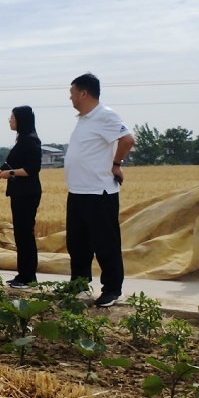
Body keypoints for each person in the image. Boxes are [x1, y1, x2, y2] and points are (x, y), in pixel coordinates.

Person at [64, 72, 135, 307]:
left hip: (99, 192)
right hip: (78, 192)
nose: (71, 97)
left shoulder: (105, 115)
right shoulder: (84, 119)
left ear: (84, 93)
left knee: (105, 243)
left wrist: (116, 164)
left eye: (72, 93)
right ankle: (80, 284)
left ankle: (113, 289)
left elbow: (127, 140)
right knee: (77, 243)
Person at [0, 105, 43, 288]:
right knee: (21, 235)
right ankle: (23, 274)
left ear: (20, 120)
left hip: (27, 193)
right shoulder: (23, 140)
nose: (10, 120)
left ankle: (28, 277)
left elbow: (32, 169)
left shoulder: (30, 141)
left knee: (25, 235)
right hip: (20, 193)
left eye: (12, 117)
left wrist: (10, 173)